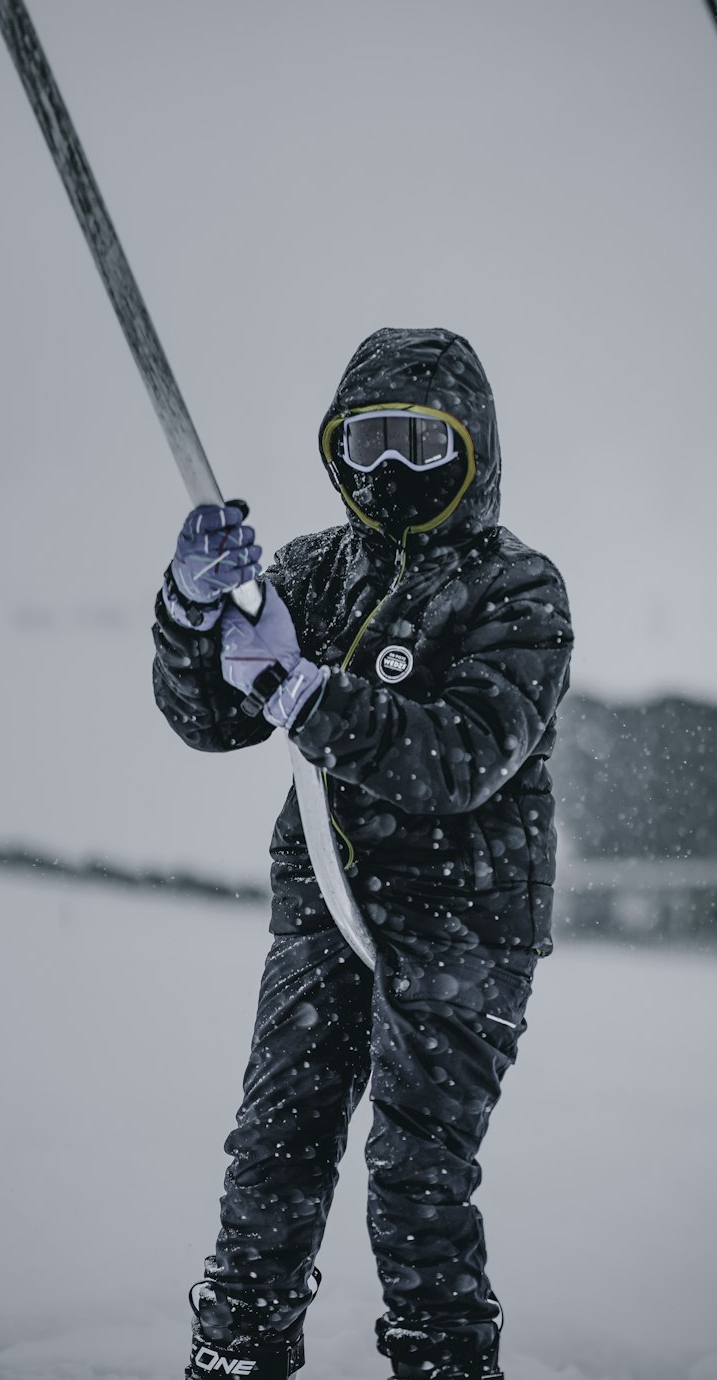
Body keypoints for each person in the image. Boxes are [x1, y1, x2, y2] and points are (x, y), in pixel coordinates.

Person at [152, 327, 573, 1380]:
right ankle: (238, 1351)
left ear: (471, 451)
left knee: (416, 1177)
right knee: (271, 1157)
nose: (391, 471)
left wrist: (307, 691)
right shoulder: (310, 572)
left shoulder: (517, 591)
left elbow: (463, 757)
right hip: (323, 913)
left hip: (463, 927)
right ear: (337, 448)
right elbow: (206, 717)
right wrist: (193, 613)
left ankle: (443, 1361)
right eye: (370, 441)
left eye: (422, 446)